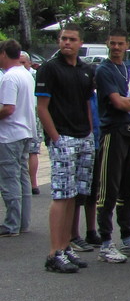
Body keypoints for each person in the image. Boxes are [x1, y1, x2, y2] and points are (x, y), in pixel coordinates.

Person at [36, 24, 97, 274]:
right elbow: (42, 107)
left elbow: (86, 104)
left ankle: (65, 245)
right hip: (63, 137)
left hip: (84, 137)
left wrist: (90, 133)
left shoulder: (85, 70)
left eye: (71, 39)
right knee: (61, 194)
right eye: (63, 39)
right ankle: (54, 252)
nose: (66, 43)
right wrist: (55, 137)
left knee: (75, 194)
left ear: (80, 43)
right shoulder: (49, 69)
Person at [93, 29, 130, 262]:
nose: (116, 47)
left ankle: (128, 239)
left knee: (129, 189)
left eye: (120, 43)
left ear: (127, 44)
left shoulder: (129, 67)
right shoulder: (104, 70)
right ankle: (106, 242)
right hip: (113, 133)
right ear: (107, 44)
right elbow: (118, 102)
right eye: (112, 43)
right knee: (108, 189)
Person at [0, 40, 35, 237]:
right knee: (22, 178)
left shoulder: (9, 78)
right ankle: (23, 222)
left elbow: (8, 107)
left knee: (9, 179)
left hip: (9, 134)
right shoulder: (26, 74)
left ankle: (12, 223)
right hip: (25, 130)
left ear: (4, 53)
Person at [20, 52, 41, 197]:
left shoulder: (34, 75)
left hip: (33, 116)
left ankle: (33, 183)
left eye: (23, 63)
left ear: (29, 63)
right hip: (21, 117)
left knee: (33, 151)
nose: (21, 66)